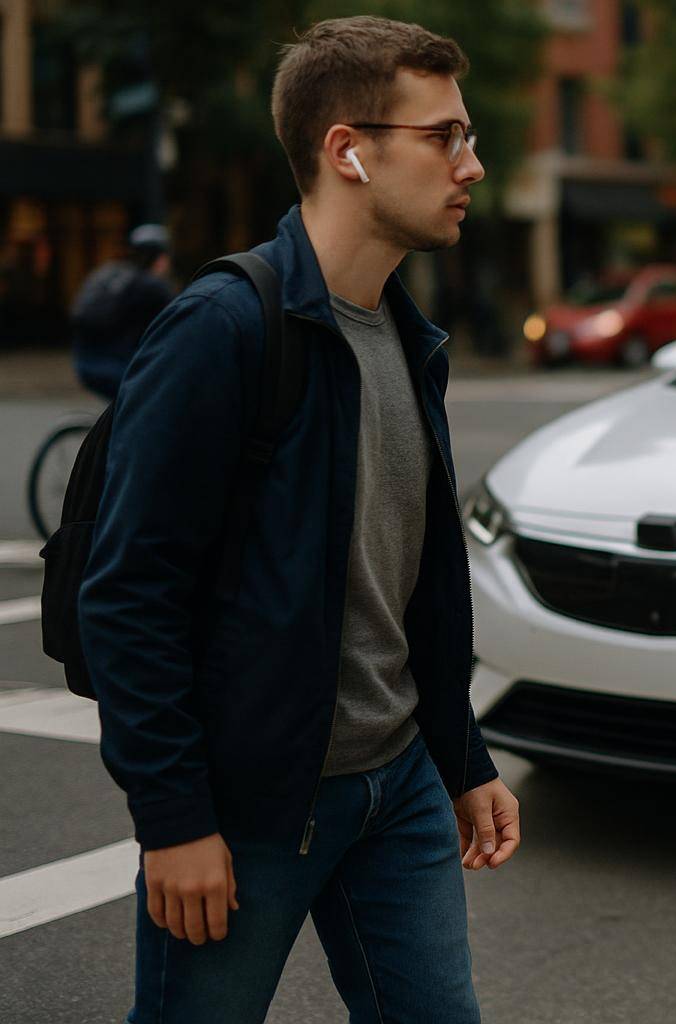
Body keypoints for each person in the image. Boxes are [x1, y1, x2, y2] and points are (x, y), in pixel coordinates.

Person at [76, 16, 520, 1023]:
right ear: (348, 150)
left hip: (399, 784)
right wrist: (175, 819)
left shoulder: (410, 337)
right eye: (445, 136)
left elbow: (406, 583)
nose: (473, 165)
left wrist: (460, 756)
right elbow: (130, 596)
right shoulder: (223, 329)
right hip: (257, 806)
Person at [68, 223, 175, 400]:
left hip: (85, 363)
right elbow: (177, 326)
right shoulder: (153, 287)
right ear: (161, 258)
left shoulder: (111, 273)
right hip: (118, 367)